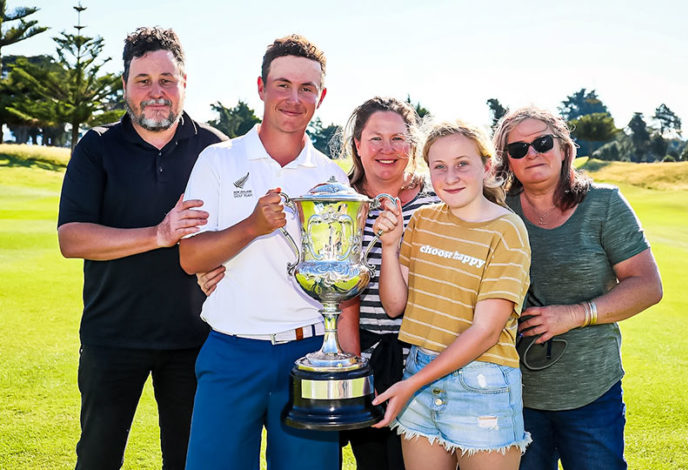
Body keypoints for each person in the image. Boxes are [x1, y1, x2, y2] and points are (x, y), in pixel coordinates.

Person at [57, 27, 227, 470]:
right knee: (97, 458)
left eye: (167, 80)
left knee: (189, 461)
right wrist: (158, 234)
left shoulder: (215, 149)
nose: (156, 92)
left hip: (195, 338)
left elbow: (237, 231)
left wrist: (221, 263)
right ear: (126, 86)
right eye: (143, 80)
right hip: (112, 338)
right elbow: (71, 238)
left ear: (185, 83)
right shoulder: (96, 146)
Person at [179, 34, 346, 470]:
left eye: (307, 88)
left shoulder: (332, 178)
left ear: (321, 96)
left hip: (308, 354)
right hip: (231, 351)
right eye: (283, 85)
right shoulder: (218, 160)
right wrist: (252, 226)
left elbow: (339, 283)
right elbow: (191, 258)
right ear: (261, 88)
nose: (294, 98)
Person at [492, 106, 663, 470]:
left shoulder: (604, 204)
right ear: (506, 161)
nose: (532, 153)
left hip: (592, 395)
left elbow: (648, 285)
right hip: (511, 395)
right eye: (518, 149)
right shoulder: (495, 211)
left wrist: (576, 315)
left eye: (542, 142)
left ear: (564, 148)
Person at [372, 121, 532, 470]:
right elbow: (394, 304)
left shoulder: (507, 230)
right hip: (420, 371)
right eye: (439, 167)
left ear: (486, 167)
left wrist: (410, 384)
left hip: (482, 384)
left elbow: (486, 331)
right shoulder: (424, 221)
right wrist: (389, 246)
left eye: (462, 164)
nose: (450, 177)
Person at [336, 96, 439, 470]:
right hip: (369, 359)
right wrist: (357, 373)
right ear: (357, 145)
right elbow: (341, 294)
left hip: (430, 364)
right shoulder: (341, 203)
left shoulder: (437, 200)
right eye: (375, 138)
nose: (387, 149)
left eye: (398, 138)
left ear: (412, 145)